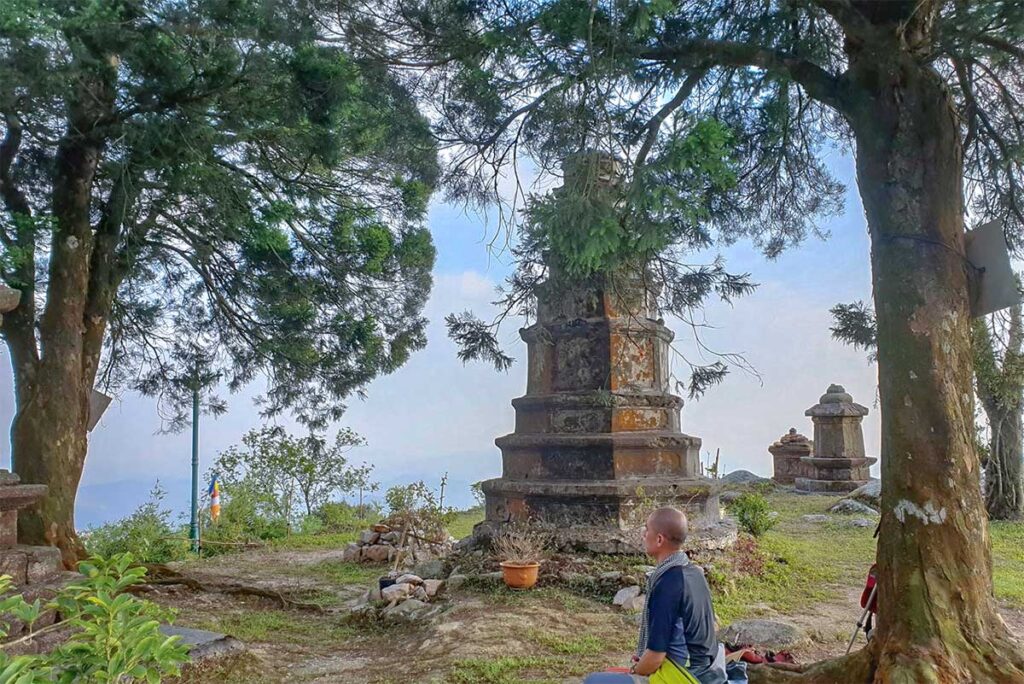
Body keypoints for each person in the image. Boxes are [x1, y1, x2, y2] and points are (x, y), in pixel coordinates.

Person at [584, 507, 729, 684]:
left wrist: (633, 671)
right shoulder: (694, 573)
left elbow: (655, 656)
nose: (643, 535)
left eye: (646, 529)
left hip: (685, 676)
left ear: (659, 539)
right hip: (709, 671)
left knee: (594, 681)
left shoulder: (668, 584)